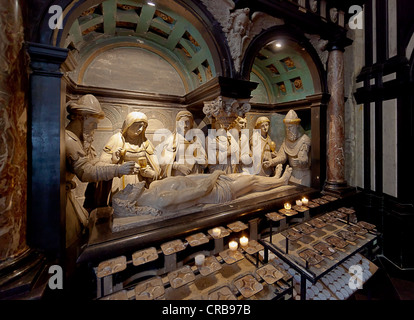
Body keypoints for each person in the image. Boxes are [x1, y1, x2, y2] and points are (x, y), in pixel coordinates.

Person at [65, 94, 135, 249]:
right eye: (93, 122)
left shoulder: (80, 140)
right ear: (81, 118)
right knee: (72, 240)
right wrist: (118, 169)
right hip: (61, 201)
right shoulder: (69, 140)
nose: (96, 127)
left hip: (68, 197)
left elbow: (95, 162)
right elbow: (86, 172)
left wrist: (112, 161)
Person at [112, 164, 291, 215]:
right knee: (250, 181)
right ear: (131, 201)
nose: (128, 186)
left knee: (243, 177)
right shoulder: (162, 199)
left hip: (209, 180)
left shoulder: (154, 185)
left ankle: (274, 179)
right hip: (217, 194)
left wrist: (211, 176)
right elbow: (201, 191)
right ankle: (281, 181)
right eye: (126, 191)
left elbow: (188, 179)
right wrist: (217, 174)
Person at [100, 111, 161, 191]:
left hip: (141, 181)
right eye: (137, 125)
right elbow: (101, 163)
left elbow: (155, 166)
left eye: (143, 126)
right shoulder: (117, 139)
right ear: (128, 125)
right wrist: (114, 160)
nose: (140, 129)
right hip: (122, 180)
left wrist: (151, 173)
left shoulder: (145, 143)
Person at [264, 110, 311, 186]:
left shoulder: (304, 140)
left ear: (297, 126)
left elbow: (304, 159)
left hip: (303, 175)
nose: (288, 130)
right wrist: (271, 162)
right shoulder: (286, 141)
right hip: (292, 174)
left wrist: (299, 161)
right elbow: (282, 157)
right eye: (287, 128)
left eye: (290, 127)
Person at [156, 110, 207, 178]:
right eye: (182, 122)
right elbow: (164, 160)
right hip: (178, 175)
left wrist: (197, 160)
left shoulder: (196, 140)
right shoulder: (172, 140)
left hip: (194, 174)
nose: (185, 125)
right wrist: (179, 167)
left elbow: (204, 160)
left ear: (192, 123)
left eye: (187, 122)